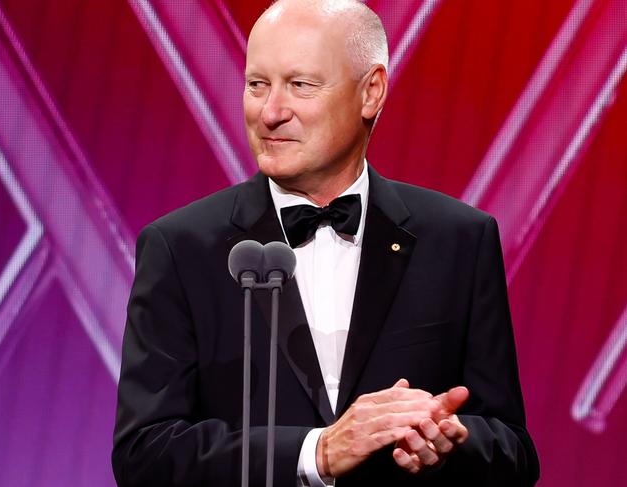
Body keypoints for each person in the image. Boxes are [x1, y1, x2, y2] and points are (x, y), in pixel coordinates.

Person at [112, 1, 539, 486]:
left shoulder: (459, 239)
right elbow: (144, 454)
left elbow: (513, 452)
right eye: (257, 85)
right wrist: (316, 452)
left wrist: (444, 441)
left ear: (371, 92)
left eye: (300, 85)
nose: (270, 112)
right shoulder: (181, 247)